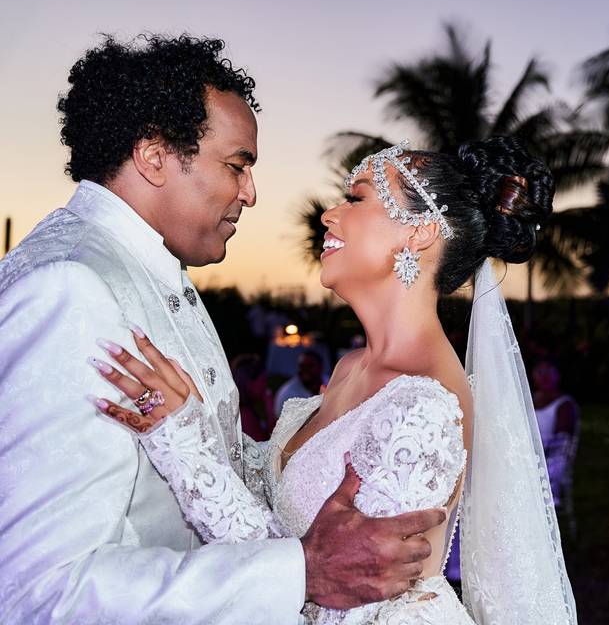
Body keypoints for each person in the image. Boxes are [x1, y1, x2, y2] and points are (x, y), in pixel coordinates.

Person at [0, 35, 443, 624]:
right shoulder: (70, 287)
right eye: (238, 165)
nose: (250, 193)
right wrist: (300, 572)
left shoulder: (147, 273)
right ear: (154, 156)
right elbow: (41, 592)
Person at [93, 137, 577, 622]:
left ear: (421, 233)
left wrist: (184, 446)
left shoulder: (424, 405)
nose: (329, 215)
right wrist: (195, 417)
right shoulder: (351, 368)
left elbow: (334, 589)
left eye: (358, 197)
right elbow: (282, 503)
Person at [531, 358, 580, 506]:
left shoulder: (564, 404)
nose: (544, 376)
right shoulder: (530, 400)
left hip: (551, 460)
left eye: (548, 372)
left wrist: (534, 454)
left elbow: (561, 442)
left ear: (557, 375)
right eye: (540, 372)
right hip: (529, 455)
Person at [232, 353, 276, 441]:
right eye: (263, 380)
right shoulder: (244, 416)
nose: (265, 385)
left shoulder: (244, 409)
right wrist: (270, 408)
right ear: (250, 383)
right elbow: (272, 441)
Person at [275, 348, 328, 413]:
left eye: (310, 366)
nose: (305, 370)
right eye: (302, 366)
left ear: (320, 367)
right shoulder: (287, 393)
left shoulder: (331, 384)